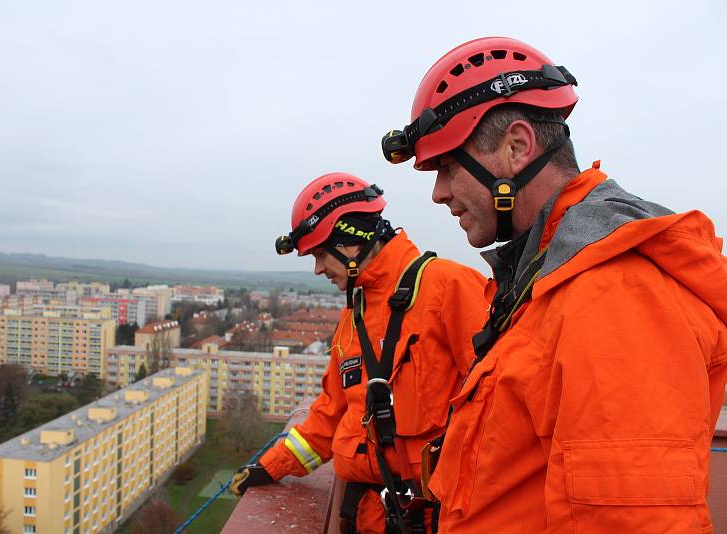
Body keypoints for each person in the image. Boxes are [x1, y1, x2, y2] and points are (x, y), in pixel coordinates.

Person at [381, 36, 727, 532]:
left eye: (447, 167)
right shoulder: (550, 278)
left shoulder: (614, 295)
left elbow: (634, 522)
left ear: (516, 147)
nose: (439, 194)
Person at [230, 173, 487, 533]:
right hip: (368, 519)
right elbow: (331, 415)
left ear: (352, 242)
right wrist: (271, 466)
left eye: (321, 253)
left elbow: (497, 410)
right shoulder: (355, 317)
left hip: (434, 518)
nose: (318, 268)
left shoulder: (448, 287)